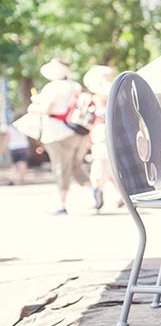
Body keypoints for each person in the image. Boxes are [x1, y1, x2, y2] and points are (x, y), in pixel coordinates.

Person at [27, 57, 93, 215]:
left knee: (61, 168)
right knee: (74, 166)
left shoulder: (53, 87)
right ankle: (94, 193)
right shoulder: (75, 85)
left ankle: (61, 205)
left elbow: (47, 109)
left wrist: (33, 107)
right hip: (77, 132)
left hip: (58, 134)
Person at [83, 65, 118, 211]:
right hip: (111, 135)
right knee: (111, 169)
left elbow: (98, 119)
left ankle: (97, 197)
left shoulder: (99, 98)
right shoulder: (115, 94)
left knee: (99, 169)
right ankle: (120, 197)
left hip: (101, 136)